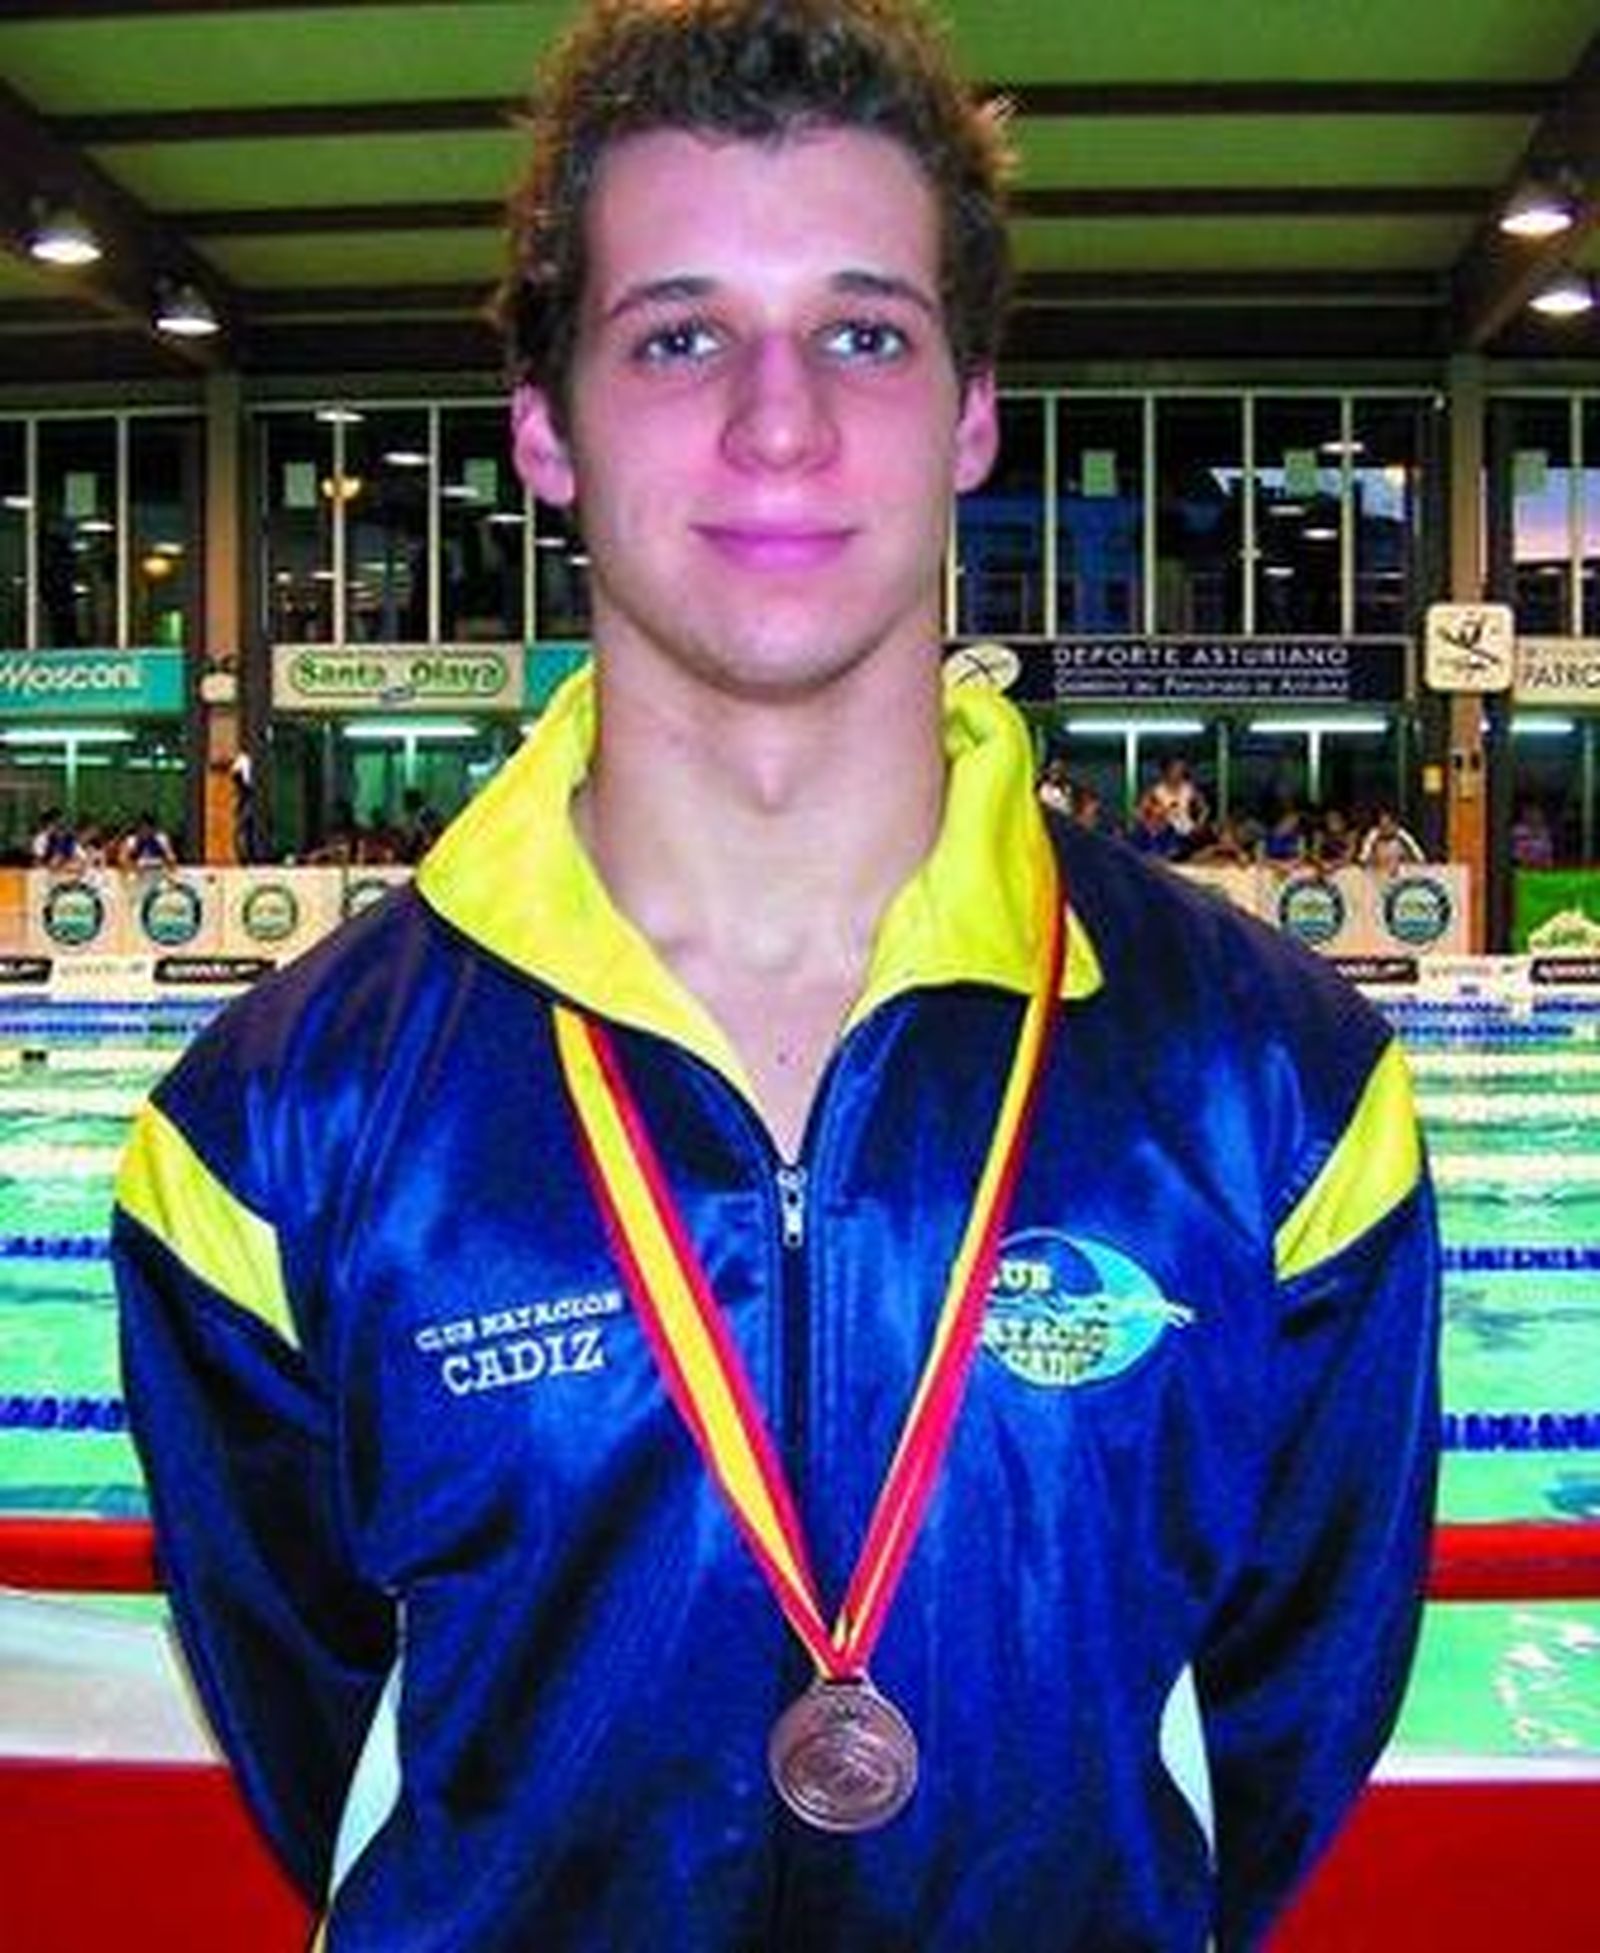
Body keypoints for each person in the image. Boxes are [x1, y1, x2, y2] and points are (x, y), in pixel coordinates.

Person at [113, 4, 1440, 1949]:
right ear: (543, 426)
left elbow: (1282, 1754)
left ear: (971, 409)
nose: (778, 420)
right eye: (675, 335)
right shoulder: (266, 1134)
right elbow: (309, 1751)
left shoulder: (1279, 1094)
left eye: (861, 330)